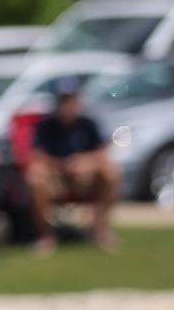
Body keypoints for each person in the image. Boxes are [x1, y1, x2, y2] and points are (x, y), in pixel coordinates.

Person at [29, 77, 120, 255]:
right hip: (57, 178)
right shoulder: (47, 126)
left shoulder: (88, 125)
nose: (67, 105)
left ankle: (101, 231)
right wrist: (63, 165)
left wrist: (85, 162)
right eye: (63, 100)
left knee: (112, 173)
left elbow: (102, 154)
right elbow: (38, 157)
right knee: (35, 177)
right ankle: (47, 236)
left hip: (86, 180)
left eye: (71, 100)